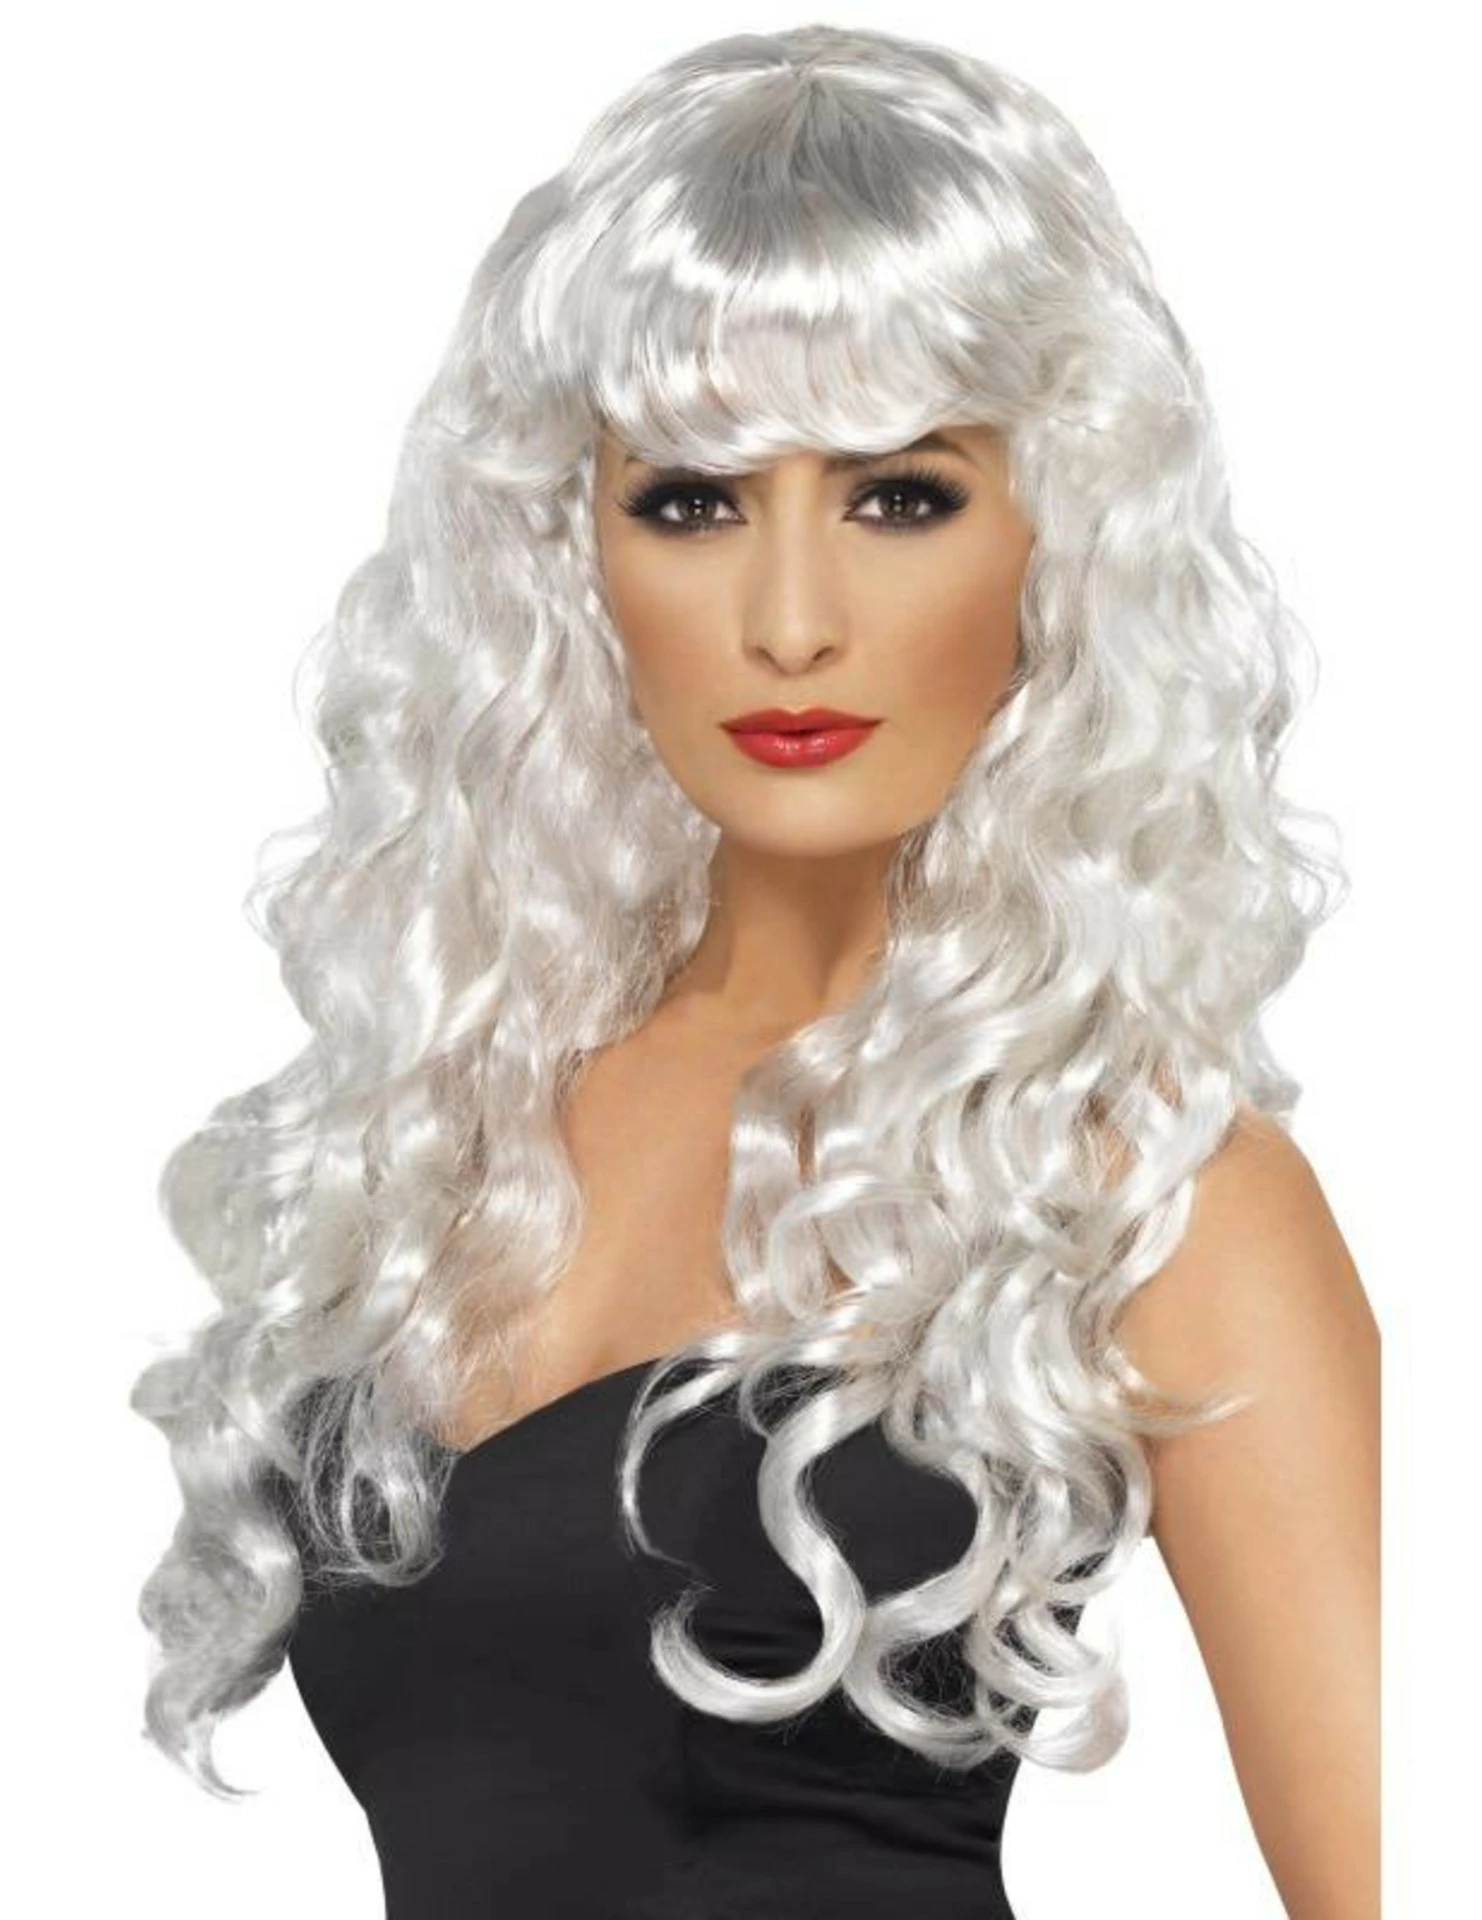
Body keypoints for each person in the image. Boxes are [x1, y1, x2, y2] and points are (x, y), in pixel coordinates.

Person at [131, 23, 1380, 1918]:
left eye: (901, 497)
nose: (791, 621)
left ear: (1057, 541)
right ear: (572, 554)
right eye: (694, 500)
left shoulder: (1149, 1193)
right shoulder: (454, 1136)